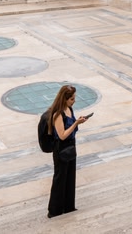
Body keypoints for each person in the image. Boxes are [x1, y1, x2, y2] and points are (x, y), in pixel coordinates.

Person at [46, 85, 89, 218]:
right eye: (71, 99)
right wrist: (76, 124)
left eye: (74, 98)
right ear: (64, 99)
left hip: (71, 147)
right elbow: (62, 135)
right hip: (61, 149)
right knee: (60, 179)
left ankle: (68, 207)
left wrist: (77, 121)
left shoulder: (69, 109)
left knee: (70, 177)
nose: (74, 101)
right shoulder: (58, 114)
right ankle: (54, 210)